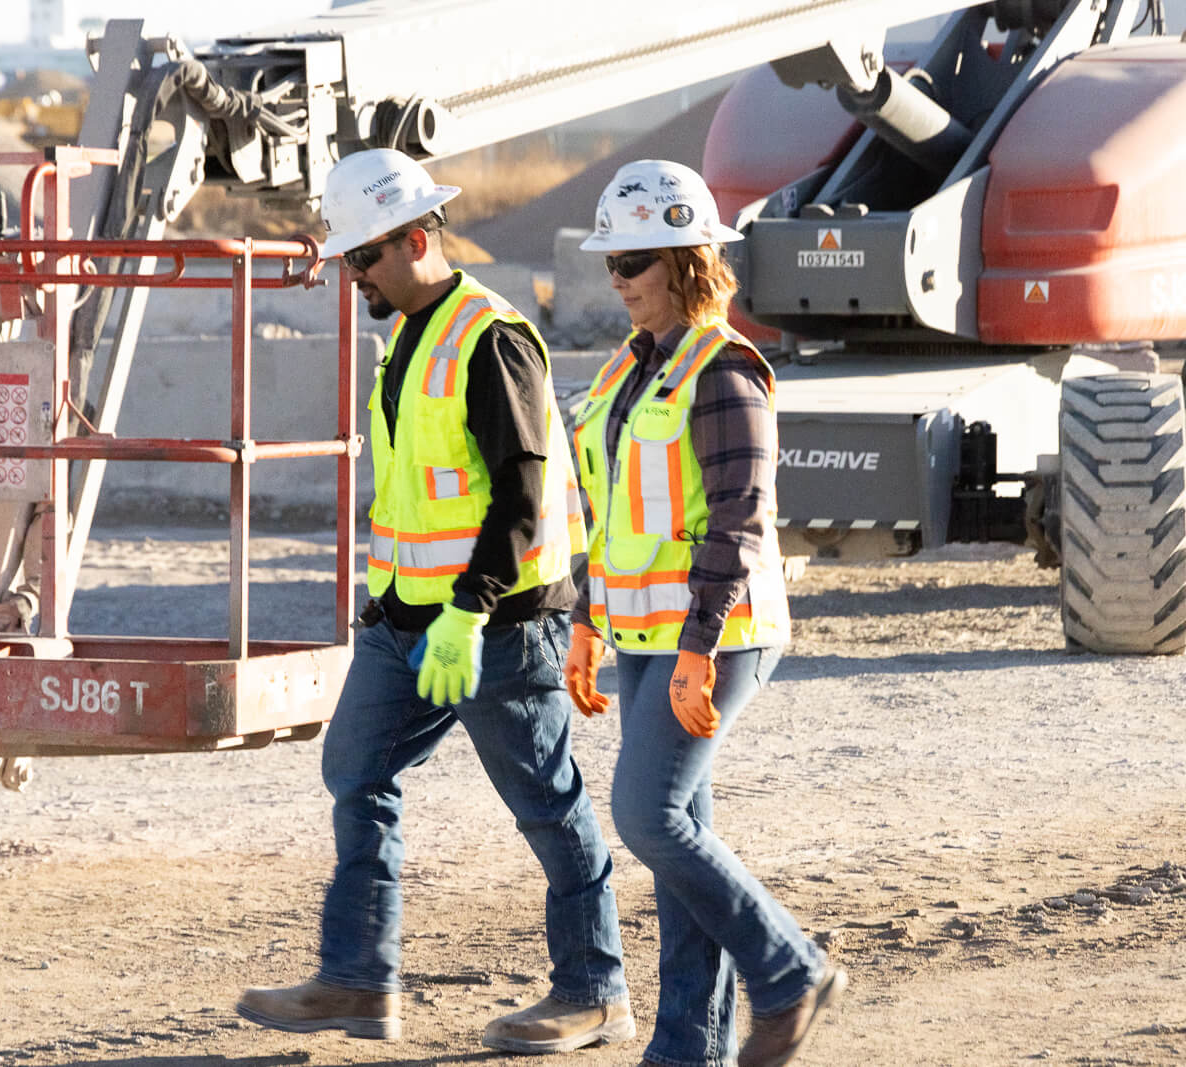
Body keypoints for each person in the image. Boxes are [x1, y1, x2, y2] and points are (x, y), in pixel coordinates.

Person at [235, 147, 634, 1054]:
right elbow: (420, 498)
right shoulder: (410, 338)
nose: (354, 276)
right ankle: (357, 981)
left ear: (417, 238)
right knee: (355, 772)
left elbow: (524, 494)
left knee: (548, 804)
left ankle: (598, 992)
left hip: (496, 627)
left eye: (364, 258)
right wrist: (391, 607)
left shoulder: (489, 338)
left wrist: (468, 607)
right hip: (408, 625)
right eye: (346, 261)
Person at [565, 159, 847, 1067]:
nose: (620, 281)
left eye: (636, 262)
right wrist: (583, 617)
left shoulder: (723, 369)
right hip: (646, 632)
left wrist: (699, 648)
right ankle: (689, 1047)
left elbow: (740, 518)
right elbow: (610, 511)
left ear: (688, 259)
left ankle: (791, 970)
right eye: (611, 263)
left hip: (717, 633)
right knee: (681, 824)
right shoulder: (631, 371)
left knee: (649, 817)